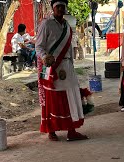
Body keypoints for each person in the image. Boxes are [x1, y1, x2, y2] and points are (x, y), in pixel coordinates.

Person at [35, 0, 88, 141]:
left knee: (71, 96)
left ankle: (72, 131)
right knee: (52, 97)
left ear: (65, 8)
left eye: (62, 6)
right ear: (53, 8)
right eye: (57, 6)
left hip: (67, 66)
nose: (60, 9)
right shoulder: (46, 24)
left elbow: (69, 48)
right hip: (50, 66)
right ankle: (51, 130)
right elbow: (38, 46)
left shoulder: (67, 26)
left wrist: (71, 64)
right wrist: (45, 57)